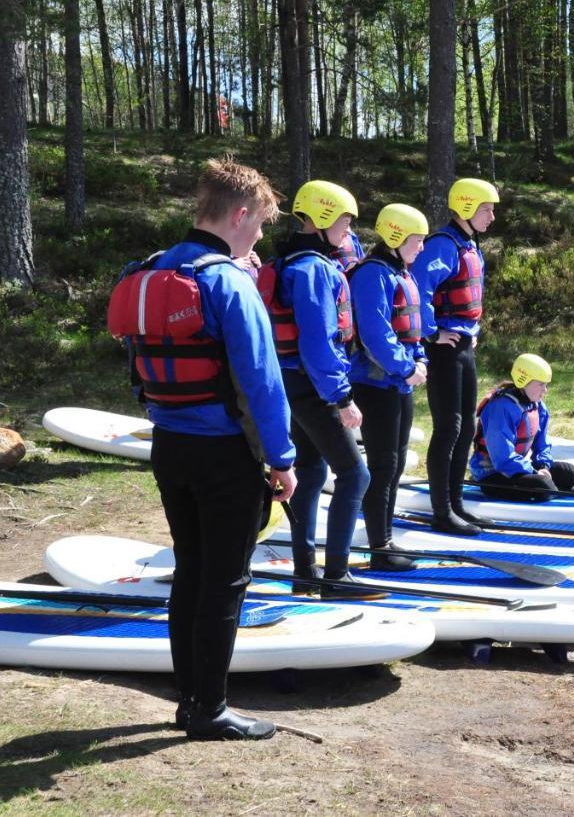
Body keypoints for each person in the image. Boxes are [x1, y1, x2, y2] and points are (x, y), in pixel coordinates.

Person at [106, 158, 296, 741]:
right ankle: (209, 711)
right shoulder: (228, 282)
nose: (261, 234)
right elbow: (262, 382)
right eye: (261, 222)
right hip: (223, 457)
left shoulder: (153, 268)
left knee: (191, 573)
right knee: (224, 581)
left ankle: (190, 701)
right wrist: (282, 459)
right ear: (239, 215)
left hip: (170, 447)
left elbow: (140, 367)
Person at [257, 180, 371, 597]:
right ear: (322, 219)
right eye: (344, 220)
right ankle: (336, 576)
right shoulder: (315, 269)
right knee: (355, 474)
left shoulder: (283, 262)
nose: (348, 230)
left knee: (308, 472)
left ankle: (304, 575)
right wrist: (341, 398)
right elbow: (318, 343)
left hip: (287, 384)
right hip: (312, 386)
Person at [410, 177, 499, 535]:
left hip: (463, 346)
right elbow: (417, 288)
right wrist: (432, 332)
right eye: (487, 209)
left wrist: (471, 333)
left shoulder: (468, 244)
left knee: (467, 427)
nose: (492, 216)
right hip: (444, 350)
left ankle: (457, 502)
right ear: (465, 207)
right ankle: (441, 511)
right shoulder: (443, 245)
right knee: (449, 428)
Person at [349, 203, 431, 569]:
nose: (422, 247)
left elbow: (415, 329)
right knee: (383, 465)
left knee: (395, 465)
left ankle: (386, 539)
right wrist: (406, 367)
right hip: (375, 386)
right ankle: (379, 546)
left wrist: (420, 361)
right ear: (397, 237)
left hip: (400, 385)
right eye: (417, 239)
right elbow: (375, 333)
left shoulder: (402, 272)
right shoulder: (373, 274)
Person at [469, 353, 574, 502]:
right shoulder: (501, 408)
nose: (545, 390)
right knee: (543, 485)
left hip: (518, 467)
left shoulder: (538, 406)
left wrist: (543, 466)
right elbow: (502, 457)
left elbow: (542, 445)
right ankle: (548, 492)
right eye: (541, 384)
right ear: (524, 381)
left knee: (571, 473)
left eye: (546, 384)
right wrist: (533, 472)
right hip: (492, 471)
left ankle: (549, 490)